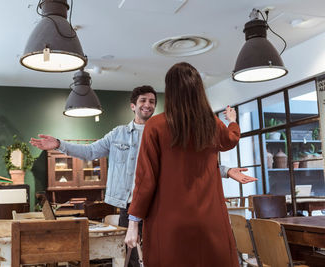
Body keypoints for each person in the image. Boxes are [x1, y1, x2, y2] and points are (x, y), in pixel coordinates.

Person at [30, 85, 255, 267]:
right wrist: (59, 145)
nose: (148, 105)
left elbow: (190, 164)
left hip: (160, 206)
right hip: (128, 205)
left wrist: (225, 171)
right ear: (133, 106)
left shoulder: (166, 130)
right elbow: (90, 152)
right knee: (131, 259)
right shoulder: (118, 134)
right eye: (143, 101)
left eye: (151, 102)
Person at [125, 62, 240, 267]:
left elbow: (146, 180)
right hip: (210, 221)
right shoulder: (211, 123)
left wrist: (133, 222)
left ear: (171, 91)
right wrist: (232, 120)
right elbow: (230, 139)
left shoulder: (156, 126)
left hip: (169, 222)